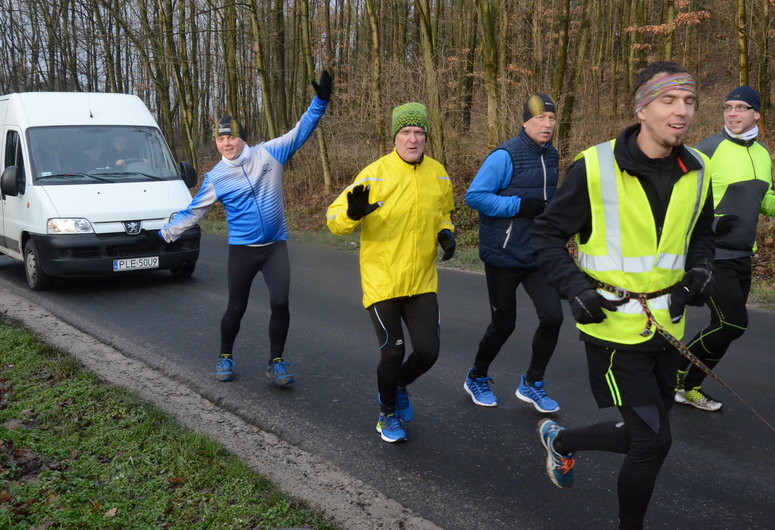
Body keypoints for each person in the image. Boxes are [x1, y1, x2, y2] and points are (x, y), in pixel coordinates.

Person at [529, 61, 716, 529]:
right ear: (642, 108)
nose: (682, 112)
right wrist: (574, 288)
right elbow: (546, 236)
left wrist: (698, 273)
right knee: (651, 443)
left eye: (689, 101)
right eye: (669, 100)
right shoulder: (594, 167)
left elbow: (703, 235)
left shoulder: (700, 168)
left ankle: (563, 441)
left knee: (649, 436)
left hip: (667, 327)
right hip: (612, 329)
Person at [155, 70, 332, 384]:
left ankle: (276, 361)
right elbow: (193, 212)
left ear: (242, 138)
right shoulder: (216, 177)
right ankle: (225, 356)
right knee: (236, 307)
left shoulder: (270, 153)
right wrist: (163, 236)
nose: (227, 143)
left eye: (231, 137)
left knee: (280, 303)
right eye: (221, 139)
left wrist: (320, 101)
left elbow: (301, 130)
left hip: (275, 247)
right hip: (242, 251)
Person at [326, 102, 455, 443]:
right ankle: (386, 415)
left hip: (422, 280)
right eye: (405, 133)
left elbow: (443, 213)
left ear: (427, 137)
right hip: (382, 281)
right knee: (393, 351)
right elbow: (334, 222)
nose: (412, 140)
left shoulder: (439, 174)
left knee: (428, 352)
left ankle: (398, 385)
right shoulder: (373, 175)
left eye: (419, 133)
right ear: (394, 136)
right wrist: (352, 215)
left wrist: (446, 232)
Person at [674, 86, 775, 411]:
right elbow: (681, 201)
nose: (732, 113)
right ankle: (672, 371)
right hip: (712, 254)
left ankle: (688, 386)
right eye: (728, 107)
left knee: (725, 329)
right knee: (732, 323)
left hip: (743, 255)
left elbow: (759, 200)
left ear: (756, 113)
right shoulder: (708, 150)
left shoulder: (763, 153)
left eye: (741, 108)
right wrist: (712, 225)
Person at [462, 94, 564, 412]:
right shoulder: (505, 155)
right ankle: (476, 377)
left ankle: (532, 383)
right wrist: (519, 205)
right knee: (503, 324)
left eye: (551, 118)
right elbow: (475, 196)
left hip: (536, 253)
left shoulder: (552, 156)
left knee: (553, 316)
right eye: (540, 119)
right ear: (525, 122)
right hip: (504, 254)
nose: (547, 125)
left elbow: (548, 201)